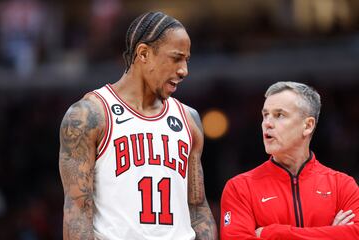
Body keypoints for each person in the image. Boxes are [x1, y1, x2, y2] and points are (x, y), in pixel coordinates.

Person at [59, 11, 217, 240]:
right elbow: (77, 211)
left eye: (186, 60)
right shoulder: (89, 114)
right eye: (176, 58)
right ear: (144, 53)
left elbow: (198, 207)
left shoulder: (189, 119)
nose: (184, 70)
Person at [220, 81, 359, 239]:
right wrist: (332, 234)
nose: (267, 124)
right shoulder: (240, 188)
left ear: (307, 126)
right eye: (265, 115)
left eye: (279, 115)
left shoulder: (343, 186)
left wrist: (273, 233)